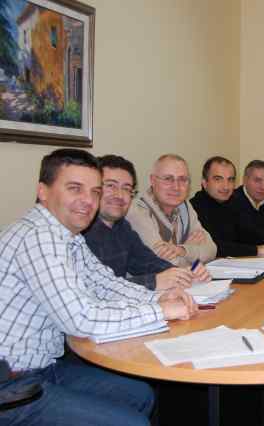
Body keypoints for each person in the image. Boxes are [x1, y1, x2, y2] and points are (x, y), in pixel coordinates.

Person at [0, 149, 198, 426]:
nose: (88, 201)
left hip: (42, 368)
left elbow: (104, 284)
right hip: (10, 385)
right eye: (75, 188)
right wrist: (161, 311)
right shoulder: (39, 237)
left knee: (139, 395)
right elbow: (81, 319)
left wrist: (159, 297)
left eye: (94, 191)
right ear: (43, 191)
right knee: (132, 423)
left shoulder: (69, 236)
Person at [84, 155, 210, 290]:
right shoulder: (81, 231)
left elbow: (147, 262)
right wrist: (155, 281)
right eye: (110, 186)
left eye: (126, 188)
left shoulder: (121, 227)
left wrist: (183, 273)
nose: (119, 195)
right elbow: (95, 288)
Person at [127, 154, 217, 267]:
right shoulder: (137, 211)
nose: (176, 187)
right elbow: (163, 264)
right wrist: (191, 249)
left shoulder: (184, 206)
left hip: (182, 277)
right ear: (152, 180)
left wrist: (182, 249)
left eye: (182, 179)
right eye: (168, 179)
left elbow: (211, 250)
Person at [191, 156, 264, 256]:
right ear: (204, 183)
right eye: (218, 179)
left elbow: (248, 234)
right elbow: (214, 247)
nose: (226, 186)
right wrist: (258, 250)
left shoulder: (232, 202)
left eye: (230, 180)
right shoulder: (195, 208)